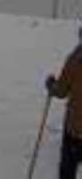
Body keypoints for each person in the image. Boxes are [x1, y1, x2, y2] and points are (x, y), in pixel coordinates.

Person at [45, 24, 82, 179]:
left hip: (75, 130)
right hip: (74, 128)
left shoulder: (76, 58)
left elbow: (61, 91)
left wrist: (51, 85)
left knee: (67, 171)